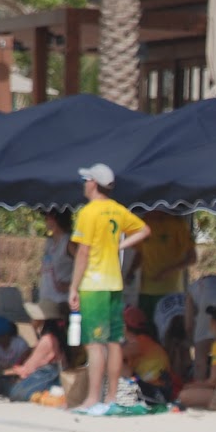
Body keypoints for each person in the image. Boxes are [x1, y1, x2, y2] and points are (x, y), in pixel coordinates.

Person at [68, 163, 149, 416]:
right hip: (115, 283)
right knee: (114, 342)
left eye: (86, 180)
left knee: (94, 343)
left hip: (94, 284)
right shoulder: (117, 210)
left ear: (93, 183)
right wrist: (120, 247)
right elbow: (144, 230)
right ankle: (110, 398)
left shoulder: (88, 212)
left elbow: (82, 252)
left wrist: (73, 286)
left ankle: (93, 399)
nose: (84, 184)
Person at [135, 210, 196, 326]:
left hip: (169, 291)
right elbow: (140, 253)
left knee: (168, 330)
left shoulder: (177, 224)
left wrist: (168, 271)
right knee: (144, 330)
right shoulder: (144, 223)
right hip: (145, 291)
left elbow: (192, 258)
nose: (143, 212)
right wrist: (130, 271)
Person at [6, 300, 69, 402]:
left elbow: (28, 368)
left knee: (11, 390)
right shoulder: (56, 337)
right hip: (53, 374)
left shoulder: (47, 340)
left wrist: (13, 370)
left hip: (46, 375)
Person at [37, 209, 75, 307]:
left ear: (57, 219)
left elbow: (85, 266)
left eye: (47, 217)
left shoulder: (69, 243)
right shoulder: (49, 243)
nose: (45, 221)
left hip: (62, 303)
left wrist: (70, 286)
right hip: (46, 300)